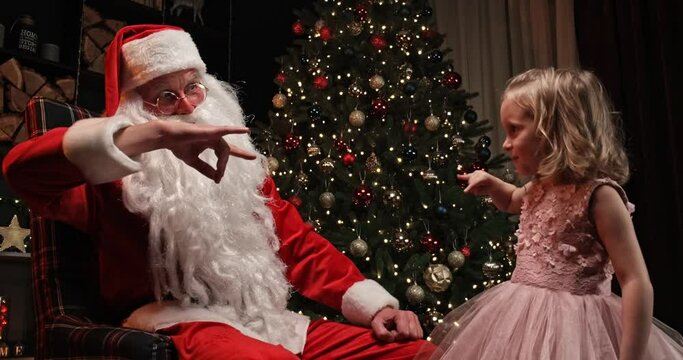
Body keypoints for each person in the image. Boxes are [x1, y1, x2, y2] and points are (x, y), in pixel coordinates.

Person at [2, 24, 432, 359]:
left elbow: (298, 246)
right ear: (136, 110)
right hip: (182, 322)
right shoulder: (113, 177)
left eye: (193, 87)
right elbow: (23, 173)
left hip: (267, 321)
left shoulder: (242, 168)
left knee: (419, 353)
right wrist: (148, 138)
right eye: (165, 97)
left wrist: (376, 306)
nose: (189, 106)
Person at [415, 68, 683, 360]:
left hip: (578, 332)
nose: (505, 143)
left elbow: (635, 280)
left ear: (553, 131)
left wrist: (631, 356)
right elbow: (511, 200)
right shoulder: (538, 187)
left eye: (514, 130)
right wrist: (494, 186)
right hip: (522, 322)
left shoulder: (599, 196)